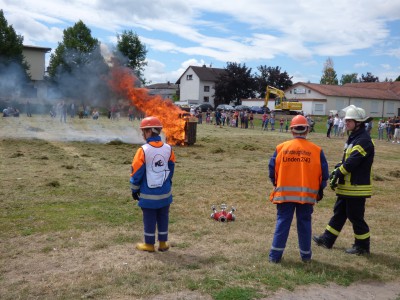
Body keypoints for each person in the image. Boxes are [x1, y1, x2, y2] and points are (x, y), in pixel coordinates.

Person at [313, 105, 375, 255]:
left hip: (356, 186)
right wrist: (337, 170)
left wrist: (336, 174)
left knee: (355, 217)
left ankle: (362, 246)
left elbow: (352, 163)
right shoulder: (354, 137)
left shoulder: (363, 140)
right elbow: (345, 160)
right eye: (346, 120)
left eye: (349, 121)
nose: (345, 123)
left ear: (358, 122)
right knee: (339, 213)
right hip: (348, 186)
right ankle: (327, 239)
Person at [268, 115, 329, 263]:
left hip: (284, 195)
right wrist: (318, 190)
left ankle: (275, 257)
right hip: (306, 196)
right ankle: (306, 256)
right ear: (307, 129)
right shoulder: (316, 150)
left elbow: (272, 171)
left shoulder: (281, 148)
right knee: (305, 224)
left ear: (292, 130)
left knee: (282, 223)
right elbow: (324, 175)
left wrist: (278, 184)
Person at [130, 116, 176, 252]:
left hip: (148, 195)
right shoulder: (168, 148)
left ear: (149, 132)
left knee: (149, 218)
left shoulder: (143, 150)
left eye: (144, 131)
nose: (142, 134)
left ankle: (149, 245)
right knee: (163, 217)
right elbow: (171, 169)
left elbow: (136, 173)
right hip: (165, 193)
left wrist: (134, 189)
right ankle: (163, 243)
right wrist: (167, 183)